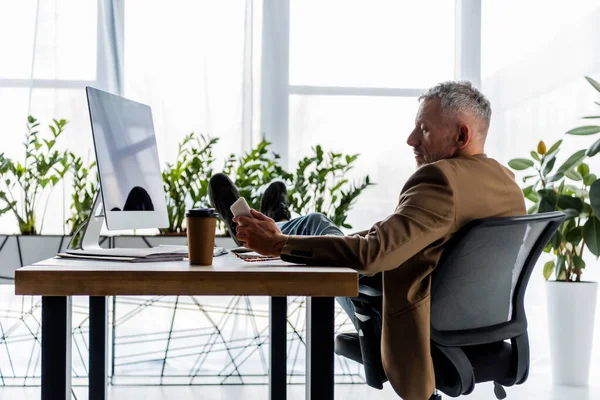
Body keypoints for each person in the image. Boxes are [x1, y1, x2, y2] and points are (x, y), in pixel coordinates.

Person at [208, 81, 526, 400]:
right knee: (319, 226)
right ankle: (279, 223)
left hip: (397, 313)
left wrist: (279, 245)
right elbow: (418, 235)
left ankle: (259, 228)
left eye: (424, 130)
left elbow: (373, 255)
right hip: (475, 325)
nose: (411, 139)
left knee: (316, 225)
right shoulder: (506, 183)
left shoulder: (440, 180)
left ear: (461, 135)